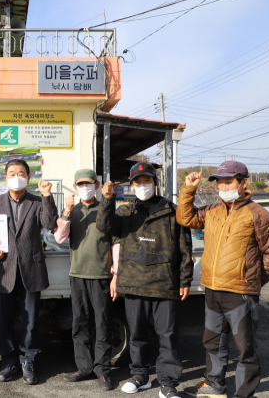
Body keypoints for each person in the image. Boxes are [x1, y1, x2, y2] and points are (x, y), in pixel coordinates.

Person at [177, 161, 269, 398]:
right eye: (220, 182)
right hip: (212, 290)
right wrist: (189, 190)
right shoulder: (213, 210)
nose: (223, 186)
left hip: (240, 293)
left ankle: (244, 394)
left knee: (245, 348)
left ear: (244, 183)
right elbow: (185, 218)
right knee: (213, 342)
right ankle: (214, 384)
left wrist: (253, 279)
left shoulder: (259, 215)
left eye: (229, 181)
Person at [97, 162, 193, 398]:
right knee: (137, 334)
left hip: (165, 285)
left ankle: (168, 382)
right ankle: (140, 375)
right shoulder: (125, 211)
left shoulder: (172, 211)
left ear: (154, 183)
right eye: (137, 182)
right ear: (131, 185)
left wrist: (185, 279)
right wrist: (107, 200)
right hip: (133, 283)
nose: (142, 186)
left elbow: (185, 249)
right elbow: (104, 226)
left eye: (146, 181)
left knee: (168, 335)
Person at [0, 159, 58, 386]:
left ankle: (28, 360)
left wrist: (47, 195)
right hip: (5, 270)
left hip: (31, 268)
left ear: (28, 178)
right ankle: (8, 362)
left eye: (21, 173)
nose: (16, 176)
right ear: (5, 177)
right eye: (11, 173)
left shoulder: (37, 202)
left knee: (30, 321)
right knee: (4, 320)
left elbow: (49, 224)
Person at [54, 169, 117, 391]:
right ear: (75, 187)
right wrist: (66, 211)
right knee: (79, 322)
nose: (84, 188)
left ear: (97, 185)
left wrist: (115, 274)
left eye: (88, 183)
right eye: (80, 184)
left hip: (100, 275)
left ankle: (102, 370)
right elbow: (60, 239)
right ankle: (84, 367)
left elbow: (115, 243)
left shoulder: (106, 208)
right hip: (77, 274)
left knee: (102, 323)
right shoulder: (72, 211)